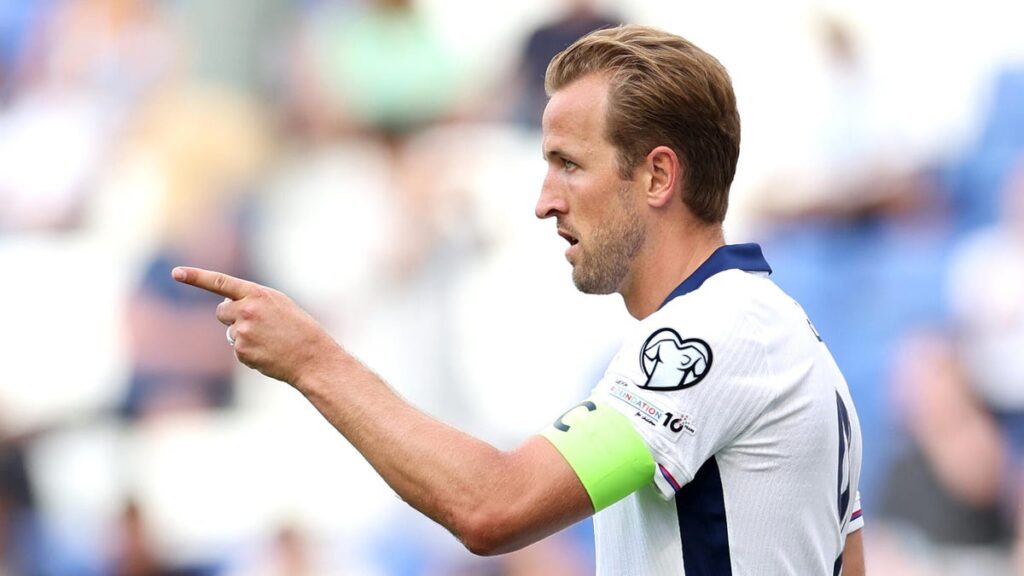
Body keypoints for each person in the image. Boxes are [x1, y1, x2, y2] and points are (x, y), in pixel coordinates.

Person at [172, 25, 865, 575]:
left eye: (570, 164)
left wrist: (312, 361)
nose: (544, 201)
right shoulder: (772, 330)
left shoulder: (715, 330)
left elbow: (493, 507)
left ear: (658, 176)